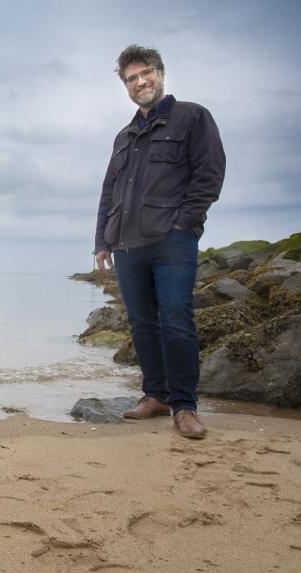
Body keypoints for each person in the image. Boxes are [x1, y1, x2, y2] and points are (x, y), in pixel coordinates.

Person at [94, 45, 225, 439]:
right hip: (127, 244)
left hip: (172, 241)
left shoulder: (192, 116)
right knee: (141, 324)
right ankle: (156, 395)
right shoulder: (124, 136)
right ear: (126, 86)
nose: (140, 82)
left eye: (146, 73)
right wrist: (102, 240)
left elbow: (210, 174)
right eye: (132, 78)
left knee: (176, 320)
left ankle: (184, 406)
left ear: (161, 73)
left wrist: (184, 223)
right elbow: (109, 190)